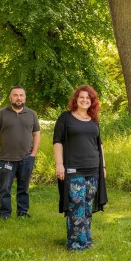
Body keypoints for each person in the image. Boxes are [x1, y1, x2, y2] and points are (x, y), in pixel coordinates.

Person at [53, 85, 108, 251]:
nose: (85, 100)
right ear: (76, 99)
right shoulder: (66, 118)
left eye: (88, 98)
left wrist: (103, 165)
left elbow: (100, 145)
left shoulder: (94, 119)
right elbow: (57, 142)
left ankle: (86, 239)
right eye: (81, 97)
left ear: (92, 102)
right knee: (76, 206)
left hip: (93, 168)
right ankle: (76, 243)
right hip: (73, 169)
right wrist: (59, 164)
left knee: (87, 206)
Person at [0, 86, 41, 219]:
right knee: (5, 188)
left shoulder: (32, 114)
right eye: (15, 95)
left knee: (24, 188)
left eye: (21, 95)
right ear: (10, 97)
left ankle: (22, 212)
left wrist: (33, 154)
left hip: (26, 158)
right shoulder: (1, 113)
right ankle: (5, 214)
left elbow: (36, 134)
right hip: (6, 159)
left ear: (25, 97)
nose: (19, 98)